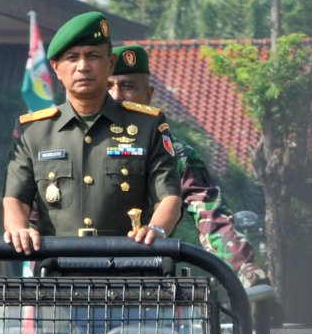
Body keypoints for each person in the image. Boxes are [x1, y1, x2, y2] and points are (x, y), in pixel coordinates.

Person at [2, 11, 182, 254]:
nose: (83, 67)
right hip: (57, 273)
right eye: (72, 58)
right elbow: (16, 199)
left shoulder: (148, 125)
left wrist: (157, 230)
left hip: (129, 271)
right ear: (55, 67)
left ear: (110, 63)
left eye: (93, 56)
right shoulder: (33, 130)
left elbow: (168, 196)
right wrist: (17, 228)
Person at [108, 44, 268, 287]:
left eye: (128, 86)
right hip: (65, 288)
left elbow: (212, 218)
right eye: (108, 86)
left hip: (145, 290)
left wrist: (245, 270)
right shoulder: (68, 145)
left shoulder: (176, 154)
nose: (117, 96)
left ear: (148, 95)